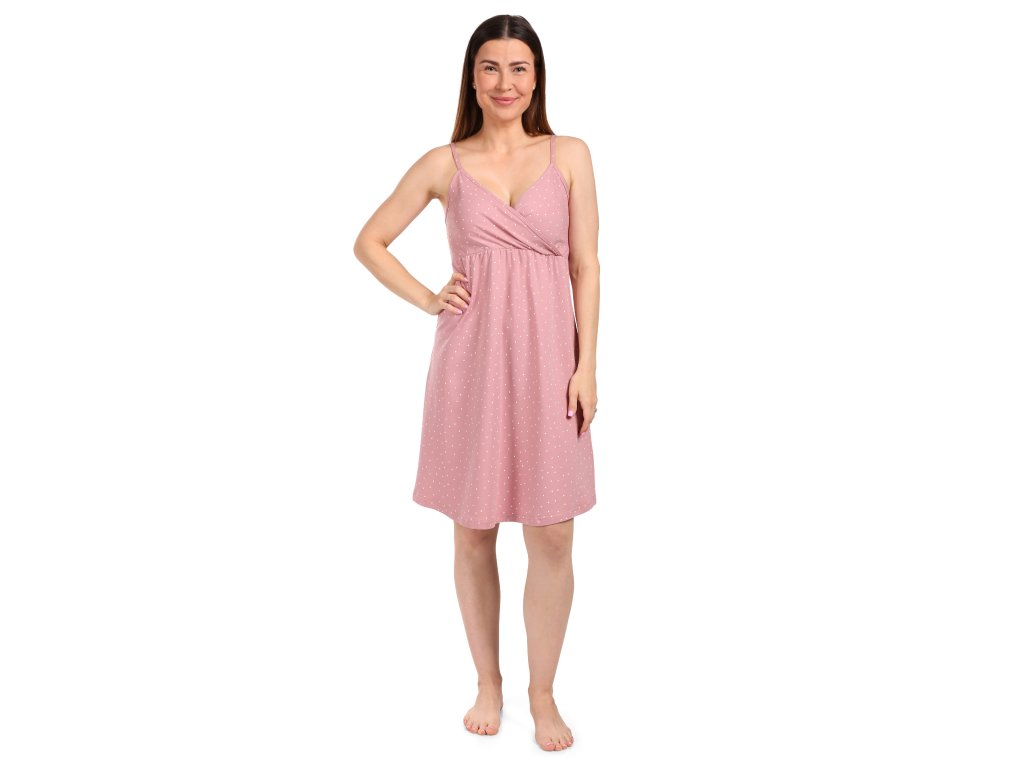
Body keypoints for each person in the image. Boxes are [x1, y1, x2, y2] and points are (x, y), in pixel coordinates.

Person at [353, 14, 600, 752]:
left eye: (519, 68)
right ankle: (488, 683)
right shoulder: (445, 163)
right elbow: (369, 240)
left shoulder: (570, 154)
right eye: (490, 67)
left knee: (553, 532)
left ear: (537, 77)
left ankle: (541, 692)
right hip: (472, 363)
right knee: (474, 528)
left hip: (552, 363)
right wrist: (429, 297)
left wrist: (588, 364)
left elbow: (586, 266)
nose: (504, 82)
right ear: (472, 76)